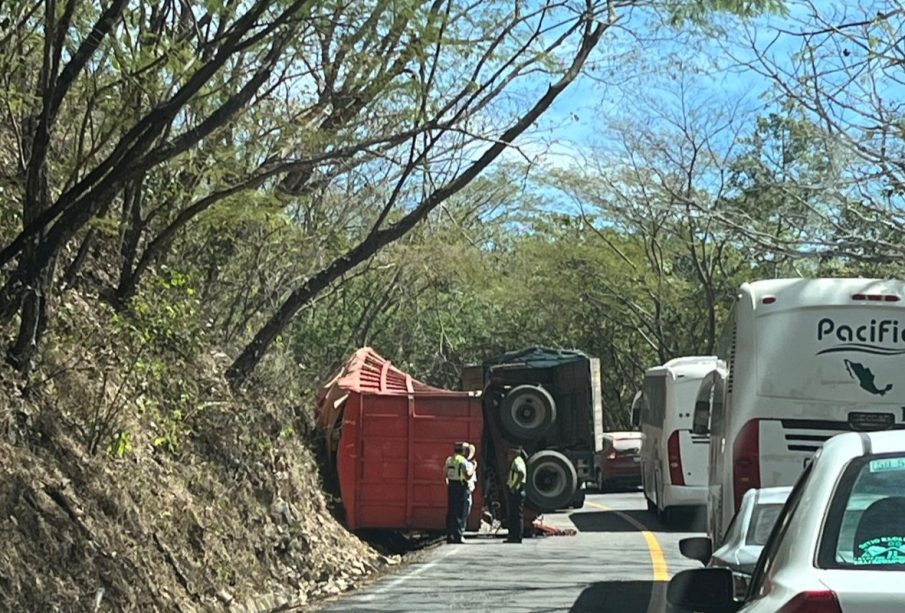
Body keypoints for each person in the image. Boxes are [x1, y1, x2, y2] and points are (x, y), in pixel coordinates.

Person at [444, 442, 469, 543]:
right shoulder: (463, 461)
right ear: (462, 451)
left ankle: (450, 536)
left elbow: (444, 473)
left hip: (451, 486)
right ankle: (458, 536)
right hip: (461, 486)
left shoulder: (449, 460)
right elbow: (467, 475)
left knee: (451, 511)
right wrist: (474, 469)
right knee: (460, 511)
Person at [505, 446, 528, 543]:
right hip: (516, 490)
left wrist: (514, 486)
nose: (508, 456)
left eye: (509, 454)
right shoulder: (518, 461)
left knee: (516, 515)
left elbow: (521, 474)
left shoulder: (517, 461)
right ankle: (513, 535)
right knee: (514, 514)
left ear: (515, 453)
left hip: (517, 490)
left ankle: (516, 536)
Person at [463, 442, 478, 525]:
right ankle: (460, 531)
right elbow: (468, 476)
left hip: (464, 489)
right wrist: (474, 467)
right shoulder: (468, 464)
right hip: (466, 490)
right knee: (464, 512)